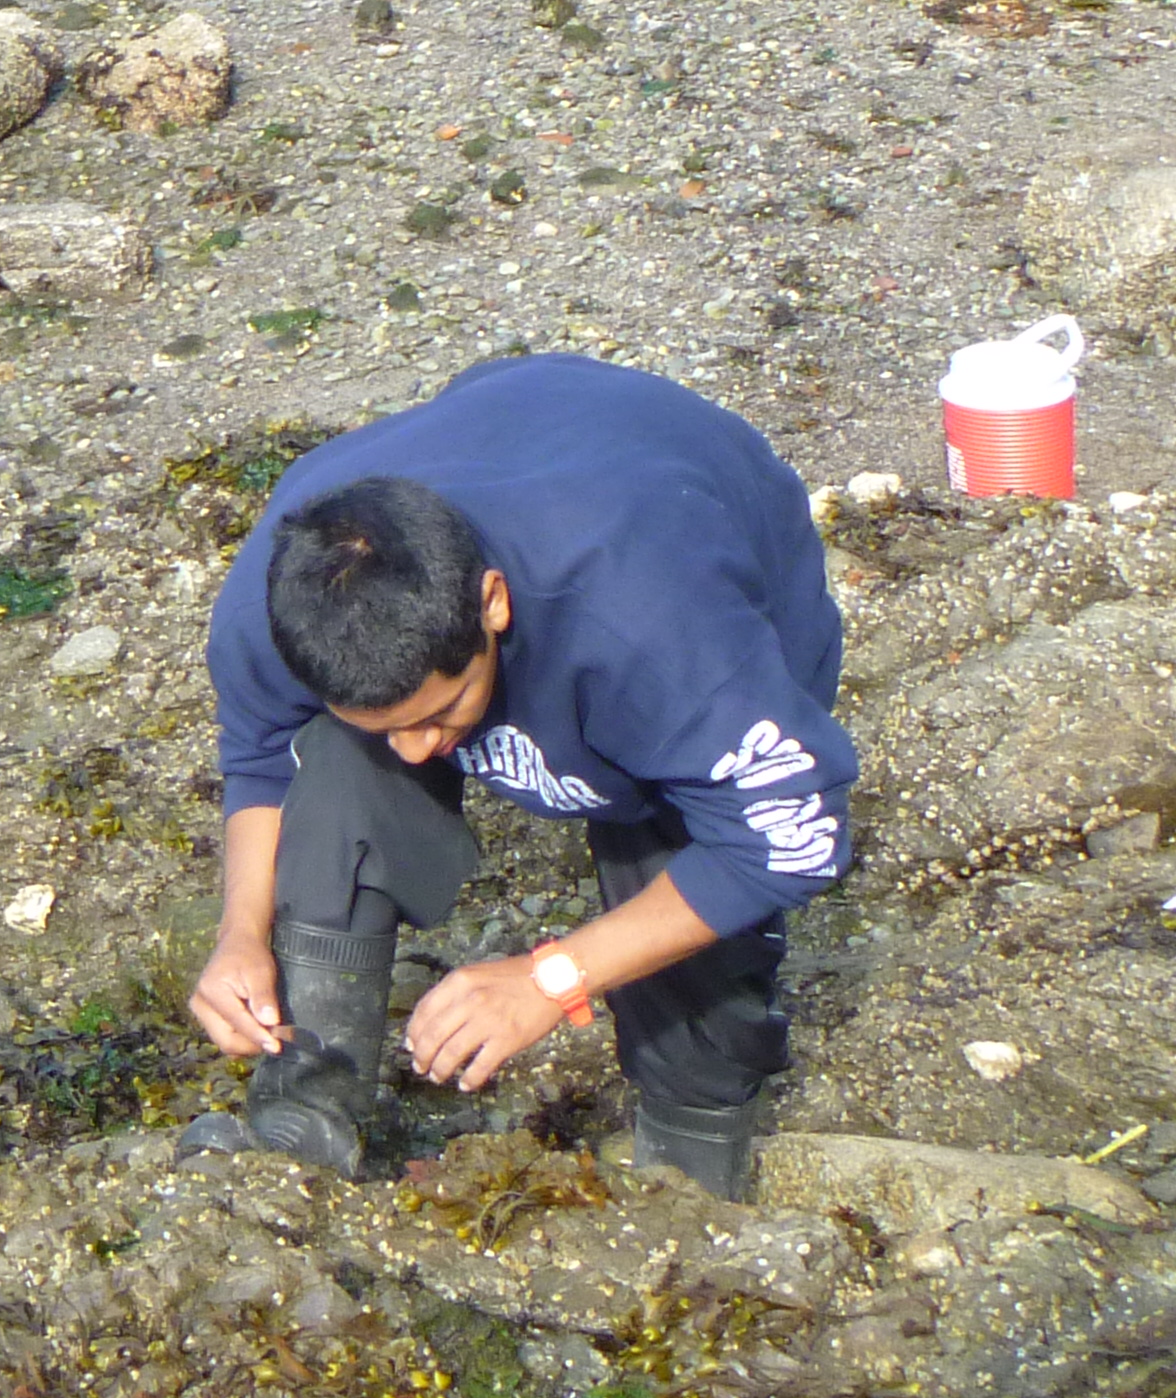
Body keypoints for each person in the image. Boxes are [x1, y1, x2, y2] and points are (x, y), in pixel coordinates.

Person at [180, 354, 855, 1197]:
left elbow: (788, 841)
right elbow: (260, 759)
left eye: (441, 712)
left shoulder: (661, 631)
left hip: (680, 527)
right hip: (513, 444)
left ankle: (691, 1152)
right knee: (338, 765)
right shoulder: (283, 602)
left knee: (676, 875)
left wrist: (551, 978)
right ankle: (309, 1115)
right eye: (394, 726)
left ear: (492, 602)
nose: (420, 750)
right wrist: (241, 937)